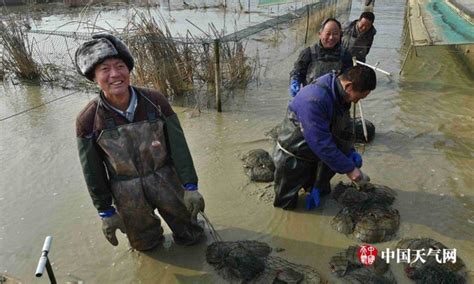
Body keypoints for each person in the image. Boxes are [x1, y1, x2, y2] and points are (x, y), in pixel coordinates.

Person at [74, 33, 205, 251]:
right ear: (94, 78)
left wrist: (190, 186)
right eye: (105, 69)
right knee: (145, 247)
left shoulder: (155, 101)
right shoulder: (87, 119)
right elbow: (93, 172)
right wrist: (106, 212)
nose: (115, 74)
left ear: (128, 70)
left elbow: (179, 148)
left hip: (165, 178)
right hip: (126, 191)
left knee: (192, 234)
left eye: (120, 66)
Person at [273, 65, 376, 210]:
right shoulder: (314, 100)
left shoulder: (341, 95)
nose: (356, 102)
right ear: (349, 86)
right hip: (293, 156)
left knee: (323, 192)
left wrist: (349, 151)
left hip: (316, 155)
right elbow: (320, 142)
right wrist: (349, 169)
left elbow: (343, 127)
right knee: (286, 205)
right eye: (358, 97)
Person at [289, 18, 353, 97]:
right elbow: (296, 72)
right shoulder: (308, 53)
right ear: (320, 34)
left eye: (335, 34)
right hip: (311, 99)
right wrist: (295, 81)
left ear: (340, 35)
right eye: (328, 34)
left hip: (335, 102)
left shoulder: (345, 55)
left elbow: (349, 79)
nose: (331, 37)